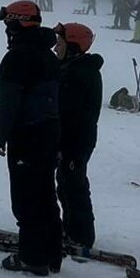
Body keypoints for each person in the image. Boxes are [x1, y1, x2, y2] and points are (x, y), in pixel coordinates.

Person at [0, 1, 62, 276]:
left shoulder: (16, 58)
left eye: (8, 24)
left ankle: (33, 257)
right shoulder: (49, 55)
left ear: (17, 23)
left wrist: (0, 135)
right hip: (49, 132)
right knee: (45, 192)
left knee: (26, 196)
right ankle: (52, 253)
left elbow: (8, 102)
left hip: (27, 135)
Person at [52, 22, 102, 253]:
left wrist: (62, 144)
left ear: (73, 46)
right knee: (65, 184)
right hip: (73, 139)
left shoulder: (79, 73)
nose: (55, 48)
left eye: (59, 44)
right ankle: (72, 229)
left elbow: (70, 114)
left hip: (76, 141)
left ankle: (81, 236)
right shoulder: (71, 69)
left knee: (74, 186)